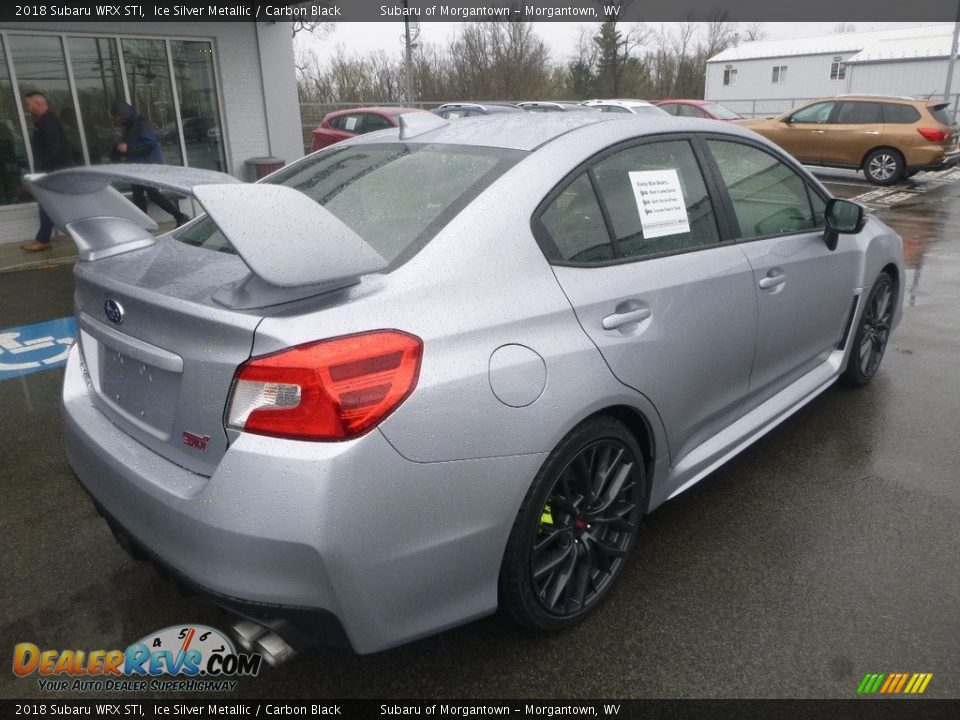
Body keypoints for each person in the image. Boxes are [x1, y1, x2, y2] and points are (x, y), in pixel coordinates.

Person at [109, 100, 189, 227]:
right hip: (137, 168)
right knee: (138, 197)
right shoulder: (129, 126)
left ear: (124, 113)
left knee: (153, 195)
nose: (118, 119)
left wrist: (127, 148)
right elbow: (132, 147)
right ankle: (145, 226)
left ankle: (180, 216)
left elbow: (149, 144)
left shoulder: (142, 123)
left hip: (148, 167)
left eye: (118, 116)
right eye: (116, 117)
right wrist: (119, 153)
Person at [20, 91, 75, 252]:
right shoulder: (44, 121)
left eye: (28, 104)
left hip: (55, 173)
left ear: (38, 103)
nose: (28, 108)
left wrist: (43, 171)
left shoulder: (48, 122)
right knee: (50, 205)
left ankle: (42, 240)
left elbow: (54, 148)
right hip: (54, 172)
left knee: (48, 204)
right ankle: (42, 239)